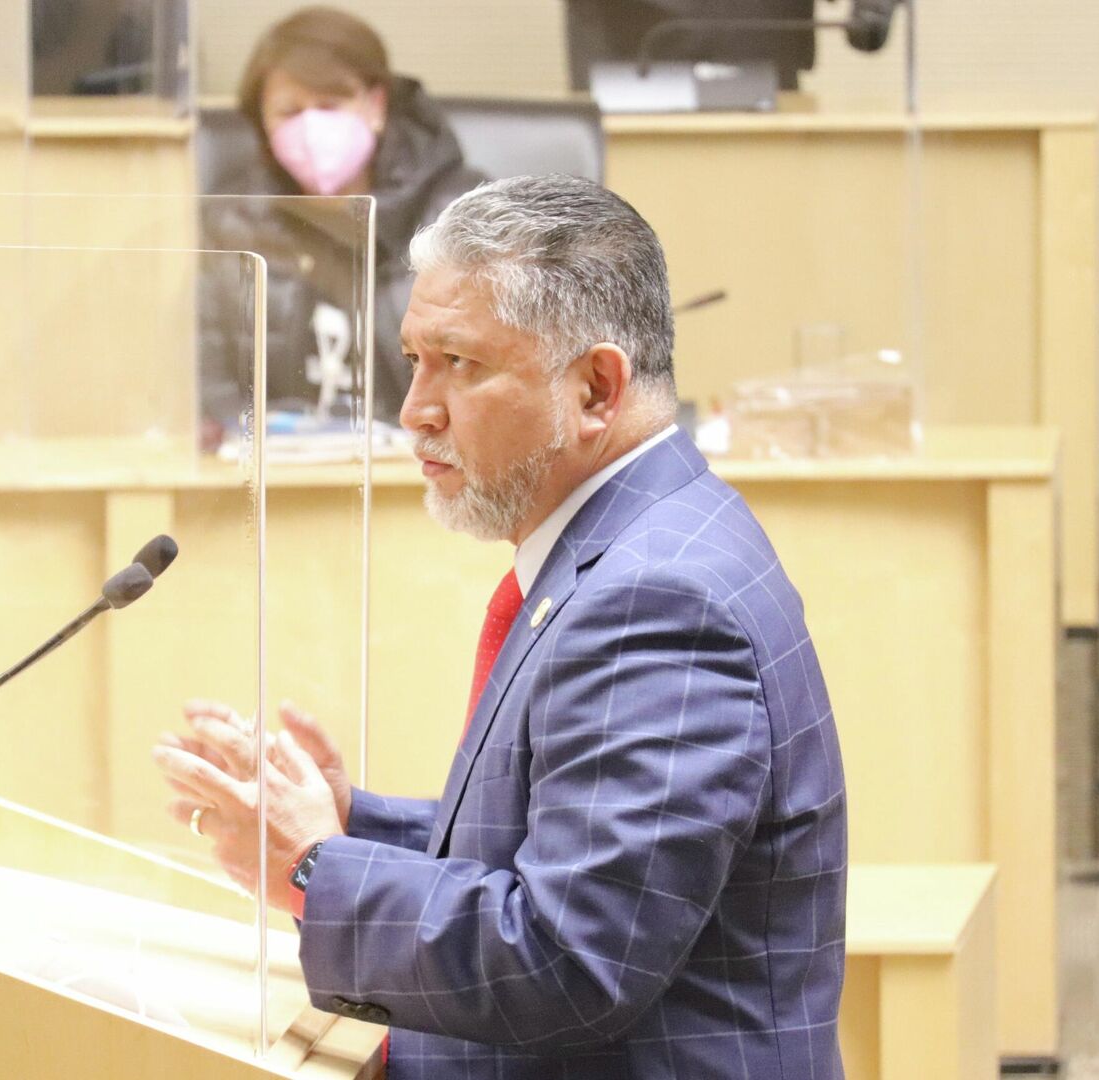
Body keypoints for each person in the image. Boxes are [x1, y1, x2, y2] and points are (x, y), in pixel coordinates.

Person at [156, 174, 847, 1079]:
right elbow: (558, 849)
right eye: (414, 360)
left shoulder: (659, 601)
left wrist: (315, 865)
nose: (416, 410)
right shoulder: (636, 542)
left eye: (461, 364)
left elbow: (569, 962)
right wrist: (348, 823)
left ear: (596, 387)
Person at [199, 6, 486, 431]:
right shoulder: (227, 224)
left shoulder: (464, 211)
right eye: (290, 112)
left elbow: (491, 368)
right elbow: (203, 375)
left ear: (376, 105)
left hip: (426, 452)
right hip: (273, 461)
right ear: (263, 123)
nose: (312, 126)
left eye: (330, 105)